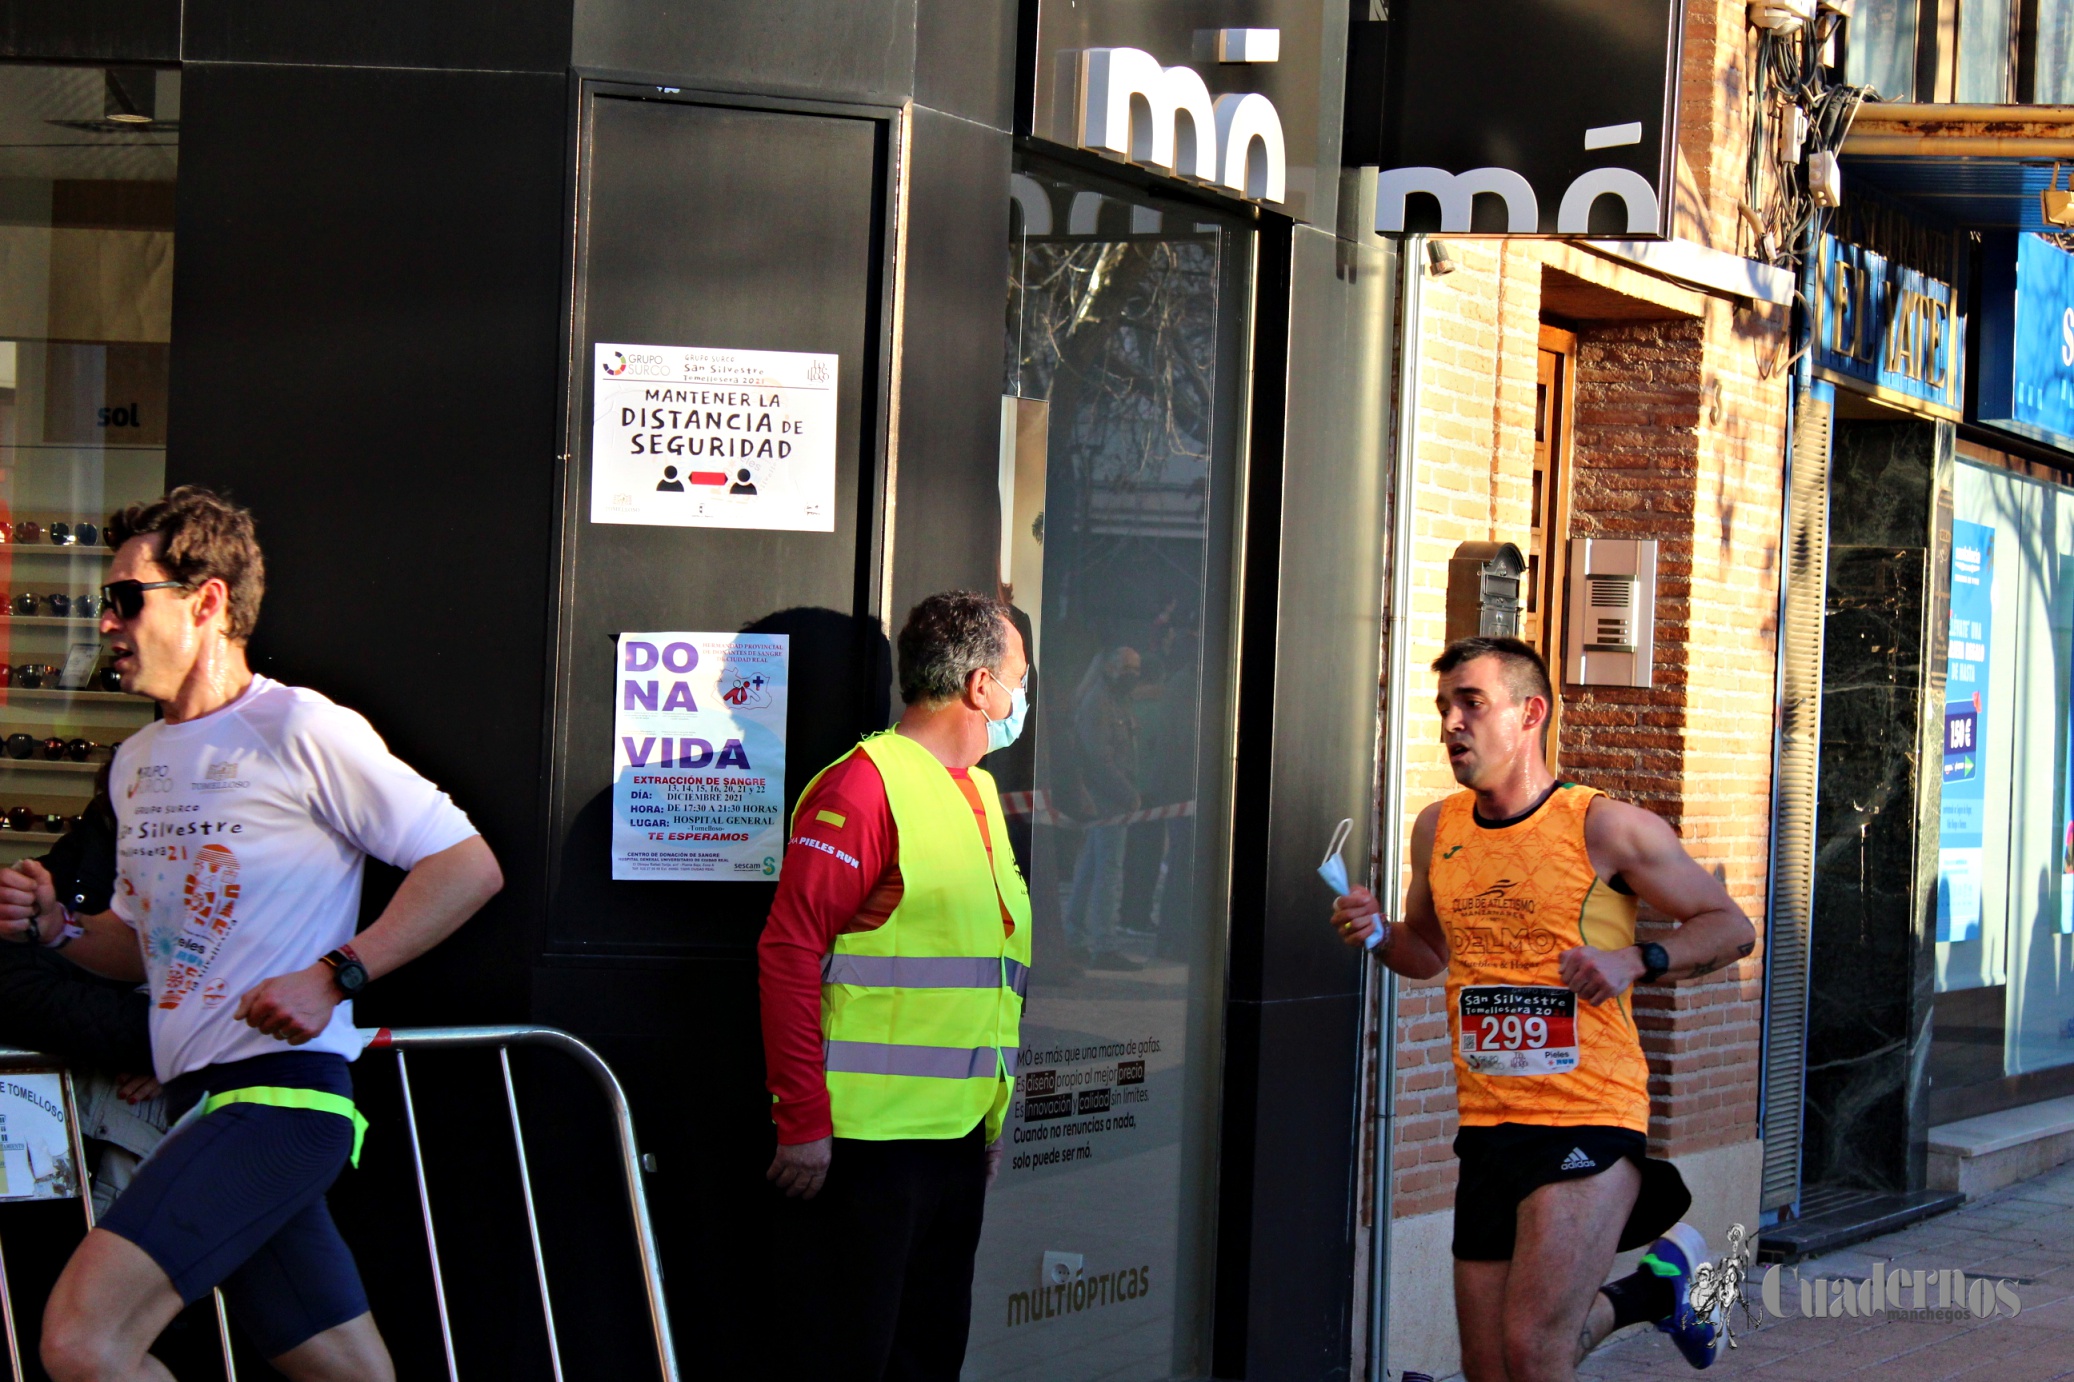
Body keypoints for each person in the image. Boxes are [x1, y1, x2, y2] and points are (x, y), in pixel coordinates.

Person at [0, 486, 504, 1382]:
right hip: (204, 1104)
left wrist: (338, 974)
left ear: (206, 603)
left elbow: (466, 867)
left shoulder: (299, 726)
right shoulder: (139, 763)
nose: (105, 623)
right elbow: (137, 942)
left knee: (84, 1340)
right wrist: (57, 929)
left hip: (281, 1104)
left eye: (125, 599)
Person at [1332, 637, 1757, 1381]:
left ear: (1530, 713)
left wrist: (1638, 959)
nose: (1450, 725)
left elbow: (1730, 927)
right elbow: (1429, 953)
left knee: (1532, 1346)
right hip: (1489, 1121)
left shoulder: (1605, 827)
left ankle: (1655, 1289)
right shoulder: (1438, 829)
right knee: (1490, 1361)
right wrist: (1377, 935)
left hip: (1589, 1110)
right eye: (1443, 709)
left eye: (1471, 704)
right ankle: (1658, 1289)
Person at [759, 589, 1032, 1382]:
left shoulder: (978, 792)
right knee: (850, 1357)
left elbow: (987, 977)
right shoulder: (863, 786)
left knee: (928, 1354)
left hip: (951, 1144)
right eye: (1019, 677)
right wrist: (802, 1118)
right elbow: (787, 952)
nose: (1022, 698)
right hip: (863, 1153)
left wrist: (988, 1120)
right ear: (982, 687)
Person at [1064, 645, 1142, 970]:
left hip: (1108, 797)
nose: (1133, 676)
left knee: (1090, 869)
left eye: (1136, 669)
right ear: (1109, 667)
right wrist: (1127, 794)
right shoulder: (1098, 703)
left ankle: (1076, 938)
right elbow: (1099, 759)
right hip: (1107, 799)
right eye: (1128, 668)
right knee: (1109, 872)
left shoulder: (1114, 699)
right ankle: (1103, 944)